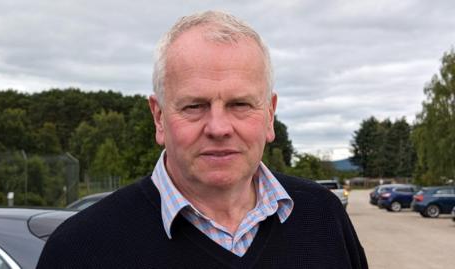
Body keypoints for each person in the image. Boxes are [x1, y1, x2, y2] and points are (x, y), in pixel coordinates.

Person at [37, 10, 368, 268]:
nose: (219, 127)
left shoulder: (324, 217)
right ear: (159, 117)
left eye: (240, 104)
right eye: (195, 106)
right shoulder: (80, 249)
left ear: (269, 114)